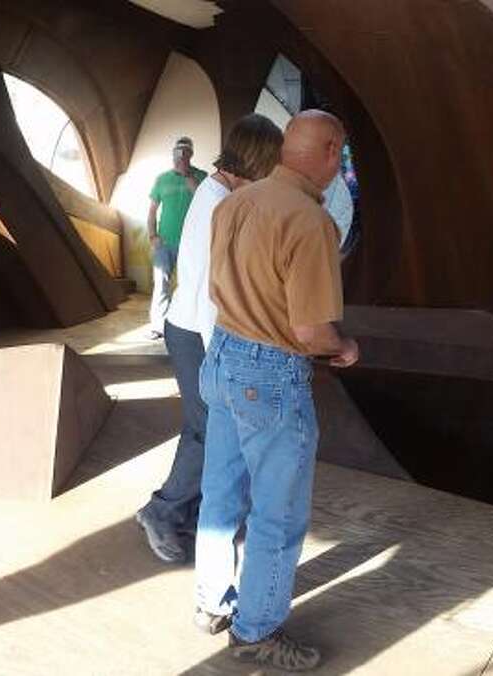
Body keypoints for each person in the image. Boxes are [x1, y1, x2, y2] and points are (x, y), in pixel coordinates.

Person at [194, 110, 359, 672]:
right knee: (277, 514)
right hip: (268, 378)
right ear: (332, 153)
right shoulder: (310, 223)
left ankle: (211, 602)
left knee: (220, 492)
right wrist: (344, 348)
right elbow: (311, 331)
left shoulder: (236, 200)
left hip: (221, 357)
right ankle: (257, 629)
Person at [135, 115, 284, 564]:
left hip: (195, 330)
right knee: (206, 429)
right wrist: (220, 355)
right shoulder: (219, 201)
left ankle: (188, 510)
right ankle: (160, 511)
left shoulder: (217, 192)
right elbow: (204, 287)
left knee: (210, 428)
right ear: (256, 159)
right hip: (196, 333)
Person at [147, 137, 207, 339]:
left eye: (185, 152)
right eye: (177, 152)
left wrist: (187, 175)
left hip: (192, 244)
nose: (180, 156)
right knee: (161, 284)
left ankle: (186, 326)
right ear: (172, 153)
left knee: (191, 284)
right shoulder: (161, 179)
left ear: (191, 154)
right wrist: (152, 235)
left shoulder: (202, 176)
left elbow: (204, 199)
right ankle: (158, 326)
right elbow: (152, 211)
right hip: (164, 243)